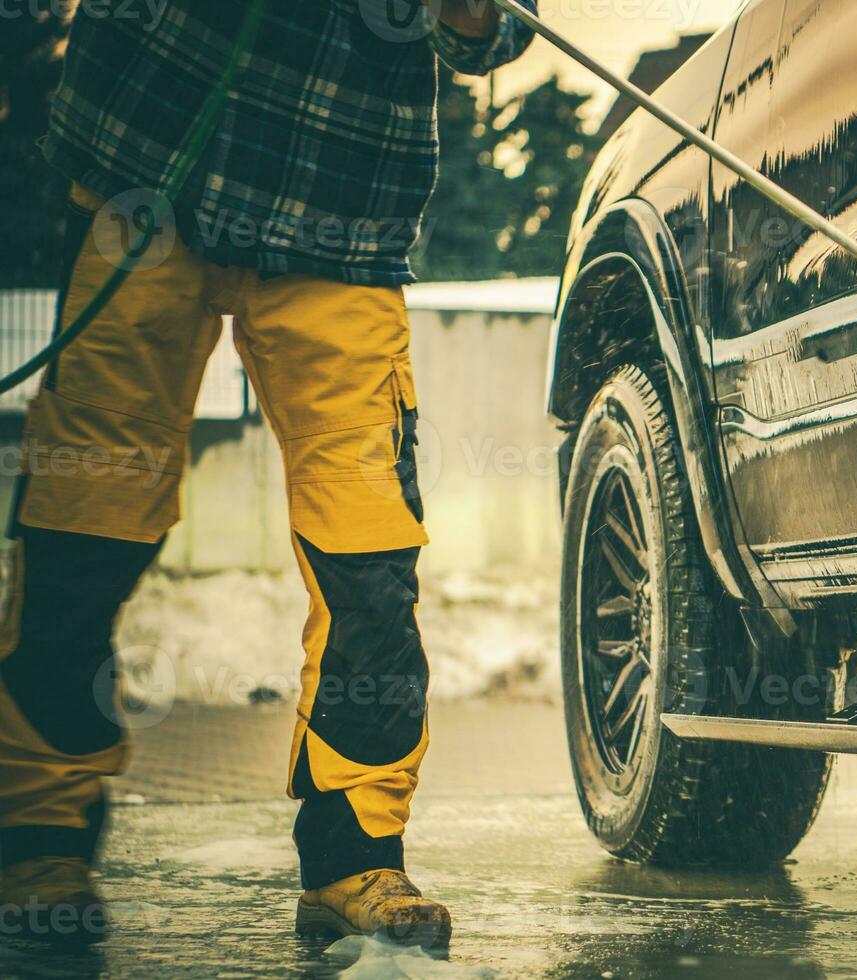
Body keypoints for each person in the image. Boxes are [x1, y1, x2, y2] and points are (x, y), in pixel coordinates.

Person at [0, 0, 535, 950]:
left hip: (341, 212)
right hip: (151, 178)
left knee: (369, 553)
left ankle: (355, 854)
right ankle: (39, 836)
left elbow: (494, 33)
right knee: (80, 525)